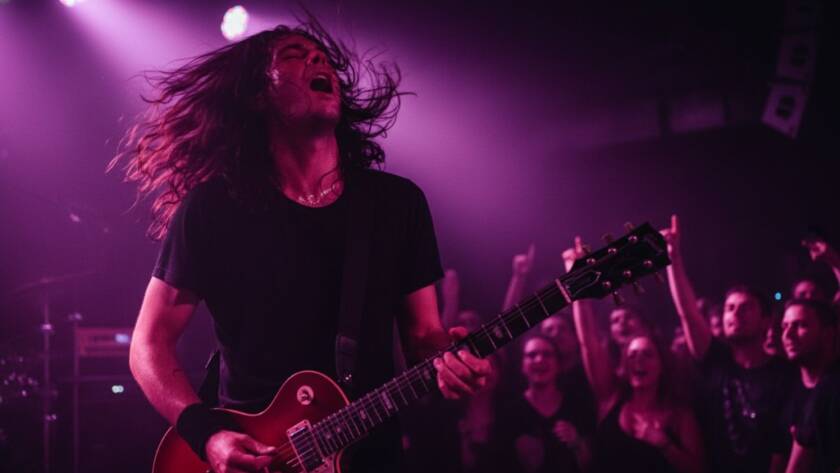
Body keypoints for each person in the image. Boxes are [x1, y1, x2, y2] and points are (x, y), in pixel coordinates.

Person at [112, 19, 490, 473]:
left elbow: (423, 336)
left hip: (371, 455)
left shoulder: (396, 204)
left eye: (323, 57)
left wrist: (447, 360)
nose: (317, 59)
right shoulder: (213, 208)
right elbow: (148, 344)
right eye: (294, 54)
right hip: (256, 460)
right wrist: (206, 433)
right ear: (257, 94)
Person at [661, 215, 797, 473]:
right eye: (730, 308)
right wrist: (673, 258)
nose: (736, 314)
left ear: (767, 320)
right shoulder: (715, 359)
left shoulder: (784, 374)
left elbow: (782, 445)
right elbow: (688, 313)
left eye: (746, 308)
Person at [565, 236, 705, 473]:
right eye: (632, 356)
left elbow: (700, 469)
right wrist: (576, 277)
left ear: (662, 363)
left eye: (647, 355)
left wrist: (664, 444)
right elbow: (587, 341)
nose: (638, 361)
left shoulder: (679, 414)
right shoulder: (610, 395)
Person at [490, 334, 595, 473]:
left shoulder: (577, 406)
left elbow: (594, 464)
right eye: (532, 355)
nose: (539, 360)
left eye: (547, 354)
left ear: (558, 365)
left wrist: (577, 443)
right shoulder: (509, 412)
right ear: (522, 365)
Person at [779, 299, 838, 473]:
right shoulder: (786, 386)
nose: (788, 334)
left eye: (800, 325)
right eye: (784, 326)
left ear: (827, 334)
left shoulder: (833, 389)